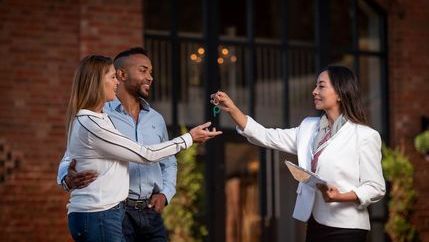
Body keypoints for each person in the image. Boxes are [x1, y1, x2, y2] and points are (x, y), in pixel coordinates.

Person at [211, 65, 385, 242]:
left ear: (340, 93)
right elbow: (266, 136)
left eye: (321, 86)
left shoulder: (365, 135)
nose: (314, 91)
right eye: (316, 86)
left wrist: (341, 196)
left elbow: (375, 187)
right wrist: (232, 109)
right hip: (315, 223)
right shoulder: (308, 127)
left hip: (347, 228)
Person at [58, 54, 221, 242]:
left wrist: (165, 193)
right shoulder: (100, 118)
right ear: (122, 74)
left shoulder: (154, 119)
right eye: (143, 70)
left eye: (151, 72)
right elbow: (72, 157)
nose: (150, 77)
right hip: (114, 210)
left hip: (148, 211)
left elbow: (168, 162)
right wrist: (66, 178)